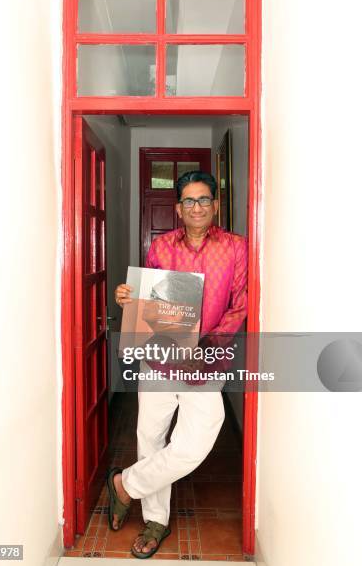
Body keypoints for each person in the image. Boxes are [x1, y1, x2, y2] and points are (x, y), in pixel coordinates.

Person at [108, 170, 248, 558]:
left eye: (204, 199)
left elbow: (240, 306)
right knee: (149, 438)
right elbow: (150, 302)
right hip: (158, 359)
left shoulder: (236, 248)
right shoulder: (161, 247)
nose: (197, 207)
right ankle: (156, 521)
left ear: (216, 205)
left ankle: (124, 485)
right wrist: (127, 297)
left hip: (202, 364)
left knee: (195, 442)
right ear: (178, 208)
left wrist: (205, 348)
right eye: (189, 201)